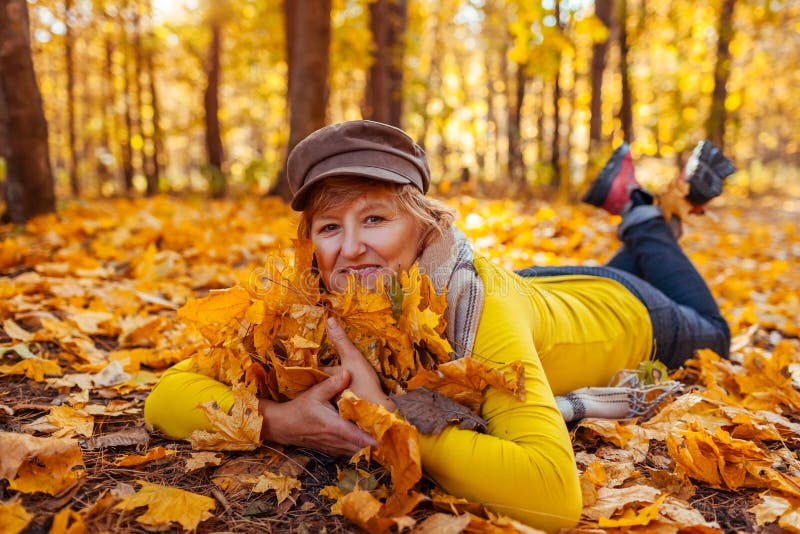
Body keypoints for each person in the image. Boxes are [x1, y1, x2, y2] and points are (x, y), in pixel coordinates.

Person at [144, 121, 734, 532]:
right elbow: (167, 395)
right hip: (545, 291)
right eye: (329, 227)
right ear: (309, 243)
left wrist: (392, 422)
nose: (350, 249)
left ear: (424, 228)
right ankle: (655, 218)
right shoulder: (309, 303)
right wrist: (277, 421)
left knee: (716, 330)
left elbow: (553, 495)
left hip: (629, 313)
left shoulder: (477, 306)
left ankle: (640, 208)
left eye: (374, 218)